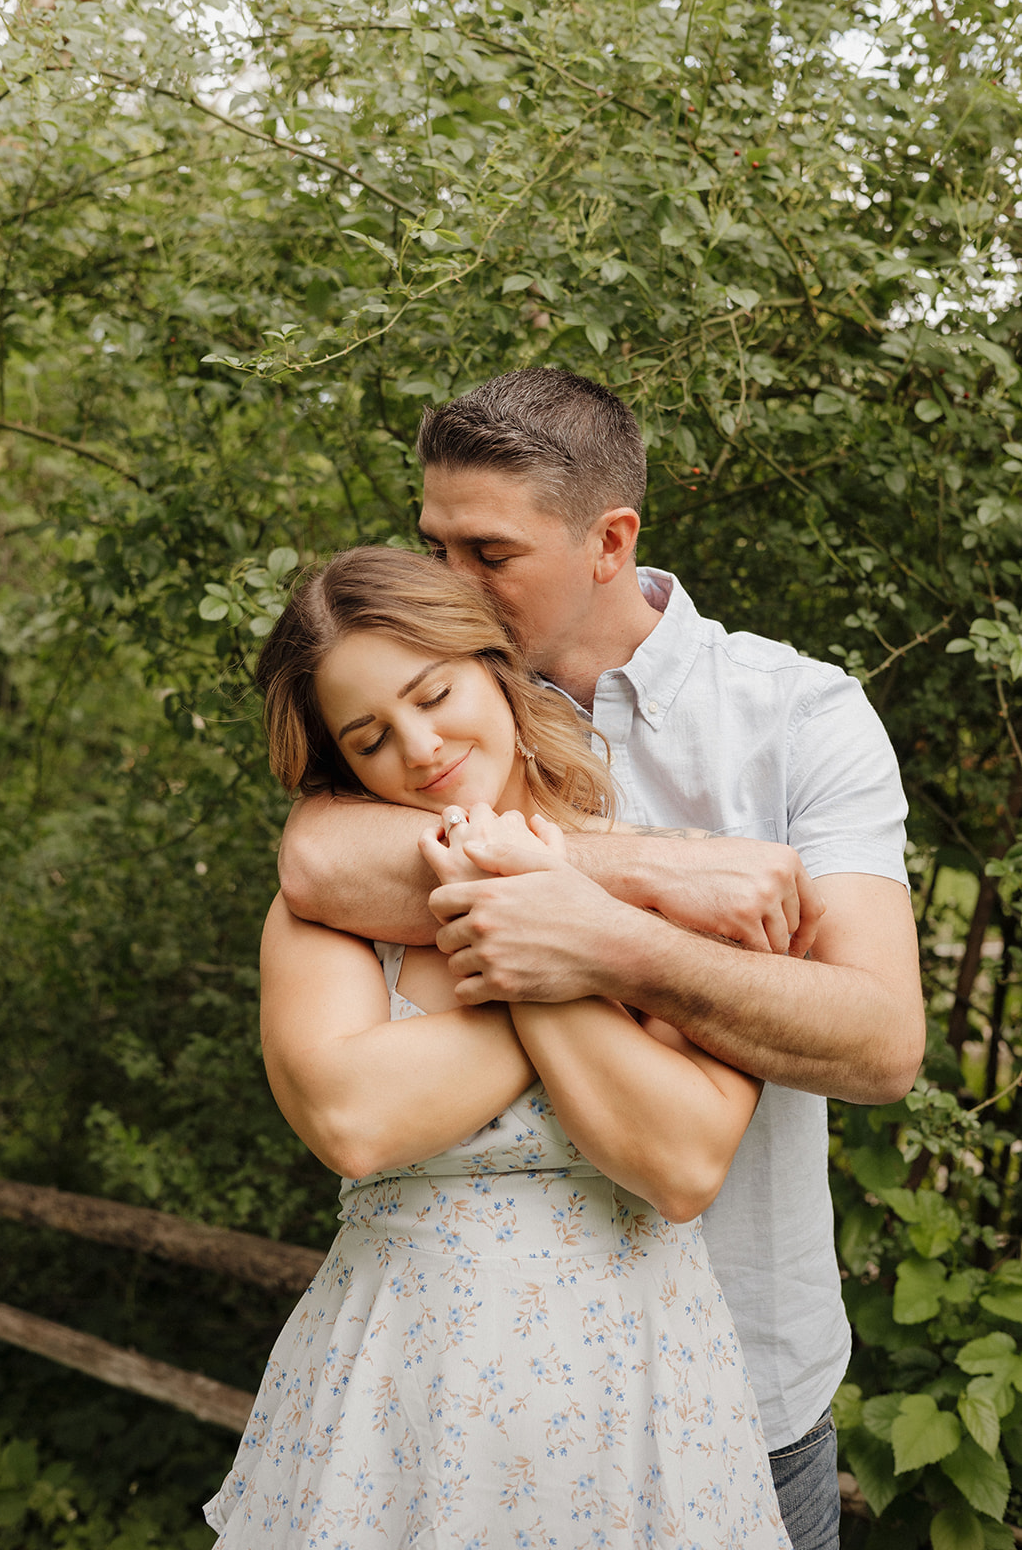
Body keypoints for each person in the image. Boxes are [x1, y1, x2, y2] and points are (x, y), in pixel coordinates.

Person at [277, 370, 927, 1550]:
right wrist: (646, 873)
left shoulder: (795, 716)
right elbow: (318, 857)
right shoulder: (450, 705)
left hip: (738, 1377)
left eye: (486, 552)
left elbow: (878, 1040)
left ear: (607, 540)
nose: (445, 583)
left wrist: (600, 942)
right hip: (445, 1403)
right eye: (432, 543)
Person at [205, 545, 793, 1548]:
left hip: (639, 1393)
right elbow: (354, 1118)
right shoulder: (325, 914)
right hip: (404, 1396)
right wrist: (543, 944)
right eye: (369, 736)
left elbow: (682, 1159)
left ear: (493, 664)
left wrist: (544, 927)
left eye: (434, 692)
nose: (420, 744)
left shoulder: (675, 879)